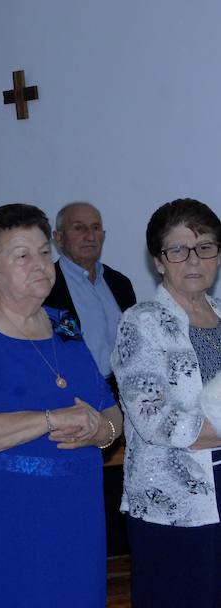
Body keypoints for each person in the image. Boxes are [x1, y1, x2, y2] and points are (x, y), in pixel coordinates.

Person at [0, 203, 123, 607]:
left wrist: (104, 431)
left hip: (76, 509)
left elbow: (110, 409)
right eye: (23, 255)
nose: (41, 264)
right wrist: (49, 419)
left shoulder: (64, 323)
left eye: (45, 252)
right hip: (5, 514)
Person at [111, 198, 221, 607]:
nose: (193, 260)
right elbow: (154, 420)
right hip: (175, 503)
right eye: (178, 250)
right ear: (159, 260)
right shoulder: (141, 322)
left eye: (205, 246)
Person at [45, 201, 136, 396]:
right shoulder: (46, 286)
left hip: (126, 393)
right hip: (74, 396)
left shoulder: (121, 284)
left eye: (96, 228)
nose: (90, 235)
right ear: (58, 238)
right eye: (79, 228)